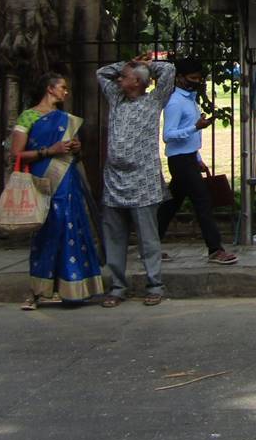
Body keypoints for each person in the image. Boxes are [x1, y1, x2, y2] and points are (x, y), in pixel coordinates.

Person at [11, 72, 102, 310]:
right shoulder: (28, 117)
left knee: (72, 228)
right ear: (50, 89)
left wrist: (74, 147)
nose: (66, 91)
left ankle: (74, 289)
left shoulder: (65, 118)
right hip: (43, 178)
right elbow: (17, 154)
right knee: (48, 232)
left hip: (67, 180)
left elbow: (71, 152)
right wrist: (49, 151)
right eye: (62, 87)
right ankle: (39, 291)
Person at [96, 53, 176, 306]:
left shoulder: (153, 101)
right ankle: (118, 286)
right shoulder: (116, 99)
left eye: (126, 77)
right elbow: (101, 73)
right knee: (115, 236)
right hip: (114, 180)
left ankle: (155, 284)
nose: (120, 79)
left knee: (148, 237)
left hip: (143, 181)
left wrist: (147, 65)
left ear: (139, 82)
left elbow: (169, 71)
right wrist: (126, 64)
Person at [157, 57, 237, 265]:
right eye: (192, 78)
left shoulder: (190, 99)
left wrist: (198, 157)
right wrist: (195, 127)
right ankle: (215, 249)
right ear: (180, 78)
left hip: (189, 158)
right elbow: (168, 135)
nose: (197, 81)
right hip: (180, 161)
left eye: (199, 77)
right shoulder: (175, 102)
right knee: (202, 201)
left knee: (171, 204)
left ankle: (150, 245)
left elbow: (189, 137)